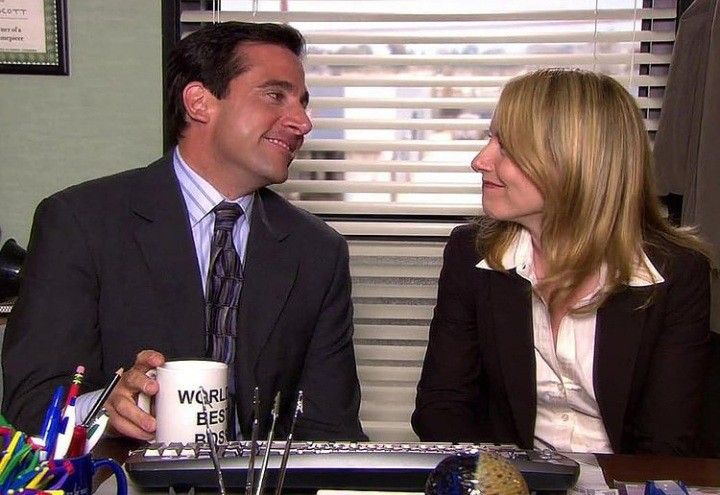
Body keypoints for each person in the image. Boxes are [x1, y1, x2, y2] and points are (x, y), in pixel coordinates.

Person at [2, 21, 366, 442]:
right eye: (275, 95)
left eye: (303, 103)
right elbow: (31, 397)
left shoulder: (318, 251)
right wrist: (106, 405)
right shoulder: (80, 222)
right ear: (200, 102)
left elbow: (328, 426)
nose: (303, 121)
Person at [412, 69, 712, 455]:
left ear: (575, 161)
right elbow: (441, 409)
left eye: (507, 146)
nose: (480, 161)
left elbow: (666, 446)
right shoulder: (470, 255)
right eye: (491, 139)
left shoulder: (676, 274)